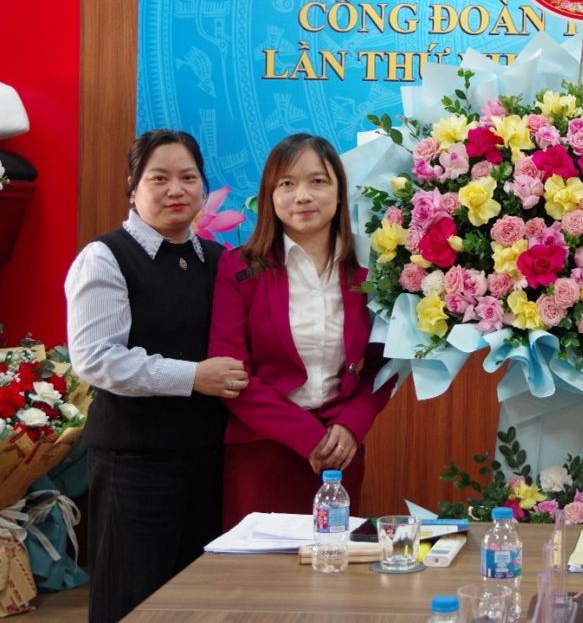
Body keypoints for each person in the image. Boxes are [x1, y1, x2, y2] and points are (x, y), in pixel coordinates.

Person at [65, 130, 249, 623]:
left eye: (188, 178)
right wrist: (193, 377)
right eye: (159, 178)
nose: (176, 190)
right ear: (133, 185)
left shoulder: (217, 260)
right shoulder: (106, 258)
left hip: (209, 459)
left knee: (196, 601)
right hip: (136, 464)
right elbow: (96, 359)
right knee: (132, 600)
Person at [208, 133, 394, 529]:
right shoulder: (238, 269)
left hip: (340, 452)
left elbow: (387, 363)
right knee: (261, 566)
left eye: (318, 181)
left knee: (333, 562)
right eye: (287, 184)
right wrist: (307, 436)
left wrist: (352, 424)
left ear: (340, 193)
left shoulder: (370, 271)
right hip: (261, 452)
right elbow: (231, 375)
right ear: (270, 196)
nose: (303, 196)